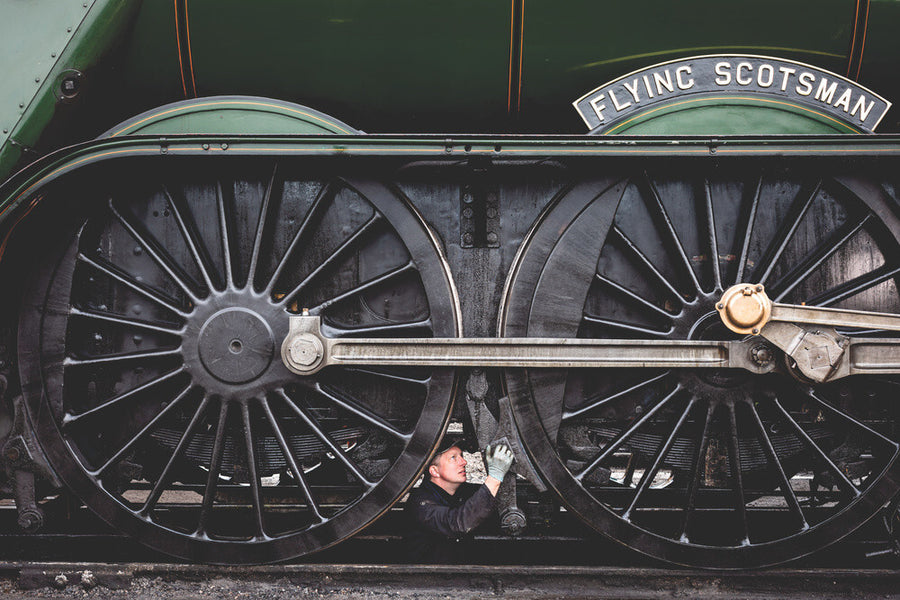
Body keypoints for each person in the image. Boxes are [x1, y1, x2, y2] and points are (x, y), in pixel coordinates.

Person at [403, 436, 514, 563]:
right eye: (453, 458)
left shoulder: (460, 492)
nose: (463, 462)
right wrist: (494, 477)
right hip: (431, 579)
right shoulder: (420, 504)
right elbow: (458, 523)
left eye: (461, 456)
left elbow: (489, 497)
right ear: (434, 471)